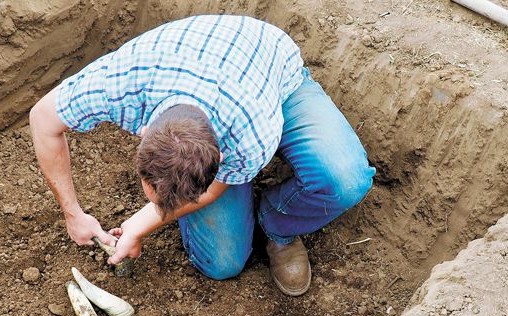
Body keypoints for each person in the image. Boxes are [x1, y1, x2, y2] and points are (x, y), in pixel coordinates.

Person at [29, 15, 375, 296]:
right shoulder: (119, 85)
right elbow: (43, 120)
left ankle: (278, 224)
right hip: (194, 59)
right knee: (222, 264)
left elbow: (216, 187)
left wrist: (142, 223)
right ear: (144, 133)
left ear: (220, 158)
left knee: (345, 180)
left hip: (275, 73)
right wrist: (73, 214)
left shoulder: (251, 133)